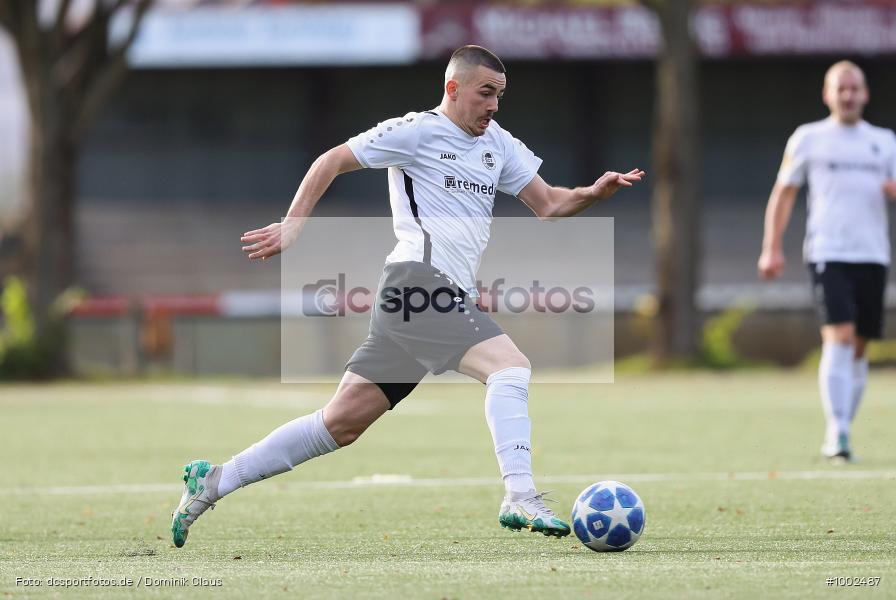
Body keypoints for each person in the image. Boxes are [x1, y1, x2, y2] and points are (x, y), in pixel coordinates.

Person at [171, 45, 644, 547]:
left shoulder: (499, 145)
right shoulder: (416, 131)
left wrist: (594, 192)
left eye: (500, 96)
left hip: (429, 298)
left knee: (341, 423)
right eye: (486, 93)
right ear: (453, 89)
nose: (494, 106)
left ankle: (216, 480)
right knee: (509, 368)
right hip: (417, 282)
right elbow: (331, 160)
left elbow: (548, 203)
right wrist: (293, 227)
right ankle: (520, 495)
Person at [758, 60, 896, 462]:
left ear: (866, 94)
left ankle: (844, 430)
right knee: (838, 335)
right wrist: (772, 246)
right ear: (827, 94)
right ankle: (837, 431)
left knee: (859, 345)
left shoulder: (884, 141)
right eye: (841, 88)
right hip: (828, 252)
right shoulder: (809, 138)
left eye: (855, 88)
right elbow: (783, 193)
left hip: (873, 253)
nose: (849, 95)